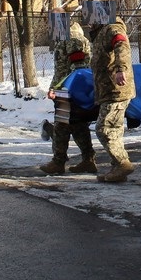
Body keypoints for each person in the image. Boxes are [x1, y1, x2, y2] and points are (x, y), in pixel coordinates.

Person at [83, 2, 136, 184]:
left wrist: (121, 68)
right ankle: (117, 167)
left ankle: (122, 163)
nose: (87, 20)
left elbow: (122, 46)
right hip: (108, 89)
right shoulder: (100, 33)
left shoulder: (112, 29)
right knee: (113, 130)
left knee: (105, 129)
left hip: (116, 89)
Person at [39, 19, 97, 175]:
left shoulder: (72, 38)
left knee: (61, 125)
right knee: (78, 126)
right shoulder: (66, 37)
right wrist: (54, 88)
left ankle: (58, 162)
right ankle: (87, 160)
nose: (49, 26)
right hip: (66, 89)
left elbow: (77, 69)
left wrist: (62, 90)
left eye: (50, 22)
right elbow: (61, 69)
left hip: (69, 90)